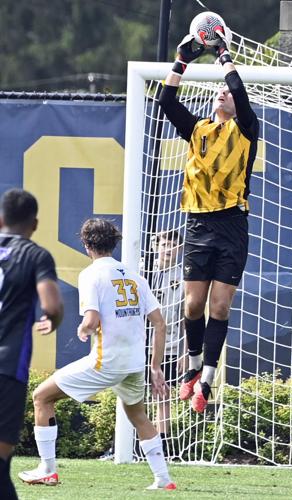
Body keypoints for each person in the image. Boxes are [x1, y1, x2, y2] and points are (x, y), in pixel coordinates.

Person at [18, 218, 176, 491]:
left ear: (86, 245)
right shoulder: (134, 275)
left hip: (107, 361)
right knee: (138, 414)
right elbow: (160, 323)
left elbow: (91, 320)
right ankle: (163, 479)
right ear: (114, 243)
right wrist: (156, 367)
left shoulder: (91, 274)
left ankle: (47, 469)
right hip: (135, 363)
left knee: (41, 396)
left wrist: (83, 329)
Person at [159, 30, 259, 413]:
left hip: (232, 226)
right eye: (220, 91)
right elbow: (167, 100)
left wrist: (221, 54)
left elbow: (240, 90)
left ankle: (206, 381)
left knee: (219, 307)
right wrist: (182, 59)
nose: (223, 92)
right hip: (198, 225)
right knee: (192, 304)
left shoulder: (246, 129)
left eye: (228, 93)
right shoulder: (197, 129)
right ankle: (193, 369)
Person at [0, 188, 63, 500]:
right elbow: (51, 304)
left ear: (1, 220)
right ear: (35, 224)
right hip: (8, 367)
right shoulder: (36, 255)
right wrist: (51, 319)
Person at [150, 230, 184, 452]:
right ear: (155, 247)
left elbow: (186, 317)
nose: (168, 249)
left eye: (173, 245)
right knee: (132, 396)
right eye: (164, 244)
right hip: (140, 344)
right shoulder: (144, 271)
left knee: (163, 395)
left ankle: (162, 444)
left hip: (169, 347)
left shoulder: (183, 277)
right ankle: (124, 444)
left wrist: (185, 351)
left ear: (180, 249)